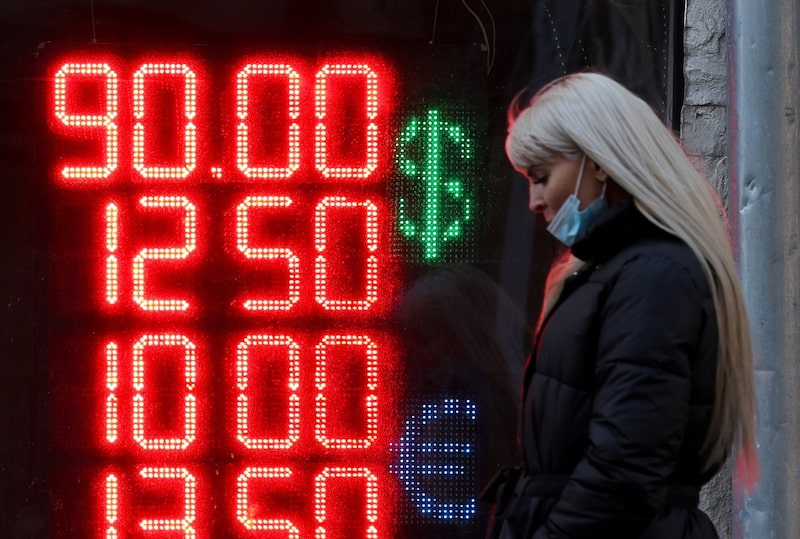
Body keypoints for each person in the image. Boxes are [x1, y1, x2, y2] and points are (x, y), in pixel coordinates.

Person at [481, 72, 758, 538]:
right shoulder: (619, 272)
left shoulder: (653, 278)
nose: (533, 201)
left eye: (542, 177)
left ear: (598, 162)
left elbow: (622, 470)